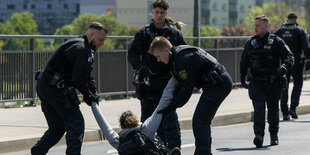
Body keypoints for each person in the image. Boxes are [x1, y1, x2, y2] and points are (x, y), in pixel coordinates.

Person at [31, 22, 108, 155]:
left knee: (57, 128)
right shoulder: (82, 50)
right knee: (76, 123)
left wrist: (93, 93)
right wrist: (87, 95)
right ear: (91, 35)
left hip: (45, 86)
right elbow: (78, 79)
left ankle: (38, 152)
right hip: (55, 90)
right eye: (100, 40)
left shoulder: (80, 44)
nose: (102, 43)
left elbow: (87, 74)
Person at [148, 36, 233, 155]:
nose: (158, 60)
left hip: (218, 84)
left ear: (166, 50)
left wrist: (171, 107)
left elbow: (186, 91)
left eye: (158, 56)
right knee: (202, 119)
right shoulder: (176, 58)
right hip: (215, 84)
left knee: (200, 120)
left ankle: (203, 152)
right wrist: (168, 105)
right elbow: (180, 86)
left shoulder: (182, 59)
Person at [128, 0, 186, 150]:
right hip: (148, 83)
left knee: (169, 117)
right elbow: (132, 54)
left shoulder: (174, 33)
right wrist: (141, 68)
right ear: (152, 12)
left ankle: (173, 148)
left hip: (168, 81)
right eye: (156, 12)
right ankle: (150, 150)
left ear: (166, 13)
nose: (159, 15)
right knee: (147, 118)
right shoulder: (143, 33)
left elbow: (182, 55)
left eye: (162, 13)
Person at [240, 15, 294, 148]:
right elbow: (244, 62)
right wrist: (242, 77)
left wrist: (284, 67)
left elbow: (289, 56)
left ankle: (274, 135)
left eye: (258, 25)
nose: (255, 28)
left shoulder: (277, 42)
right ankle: (259, 135)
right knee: (258, 109)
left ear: (266, 26)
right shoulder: (250, 43)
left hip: (273, 82)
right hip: (257, 82)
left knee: (273, 111)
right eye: (255, 25)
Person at [91, 78, 181, 155]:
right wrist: (171, 83)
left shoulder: (118, 141)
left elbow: (103, 125)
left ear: (121, 126)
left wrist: (93, 103)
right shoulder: (147, 130)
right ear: (136, 121)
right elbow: (161, 106)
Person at [274, 12, 310, 120]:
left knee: (284, 86)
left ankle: (284, 112)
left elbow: (273, 45)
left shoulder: (279, 31)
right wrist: (308, 57)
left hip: (283, 63)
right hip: (297, 62)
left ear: (287, 19)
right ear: (295, 19)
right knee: (298, 83)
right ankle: (293, 108)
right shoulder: (300, 31)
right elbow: (306, 48)